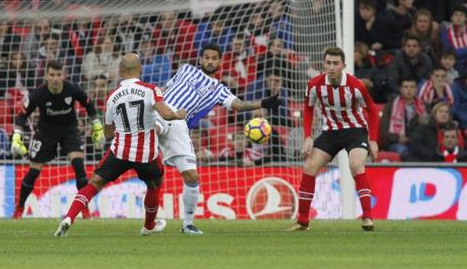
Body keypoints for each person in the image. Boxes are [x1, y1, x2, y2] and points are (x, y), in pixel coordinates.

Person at [55, 53, 187, 237]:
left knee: (93, 184)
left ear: (121, 70)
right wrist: (178, 114)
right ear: (140, 69)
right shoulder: (151, 90)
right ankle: (148, 226)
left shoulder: (112, 96)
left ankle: (69, 217)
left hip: (120, 152)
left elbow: (108, 133)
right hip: (145, 154)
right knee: (155, 185)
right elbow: (165, 114)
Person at [158, 43, 281, 234]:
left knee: (192, 176)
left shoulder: (219, 89)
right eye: (206, 57)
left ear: (220, 61)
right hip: (161, 111)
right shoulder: (185, 69)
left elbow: (237, 104)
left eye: (214, 58)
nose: (209, 61)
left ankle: (188, 225)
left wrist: (263, 103)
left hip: (178, 125)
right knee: (132, 153)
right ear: (201, 59)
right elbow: (164, 88)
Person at [287, 47, 379, 232]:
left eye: (335, 63)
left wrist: (373, 139)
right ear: (323, 64)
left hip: (355, 130)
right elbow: (308, 109)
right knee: (309, 166)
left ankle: (367, 217)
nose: (331, 67)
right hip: (331, 131)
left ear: (343, 65)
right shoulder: (315, 84)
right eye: (328, 63)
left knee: (355, 165)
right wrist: (307, 136)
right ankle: (303, 222)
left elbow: (372, 110)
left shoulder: (355, 85)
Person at [10, 60, 103, 218]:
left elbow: (90, 106)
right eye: (52, 75)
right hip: (45, 133)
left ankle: (84, 209)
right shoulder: (38, 94)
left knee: (79, 166)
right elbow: (21, 117)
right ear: (46, 76)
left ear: (63, 75)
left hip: (69, 131)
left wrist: (97, 126)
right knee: (33, 172)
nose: (55, 78)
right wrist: (17, 136)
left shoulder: (72, 88)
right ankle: (19, 209)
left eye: (58, 75)